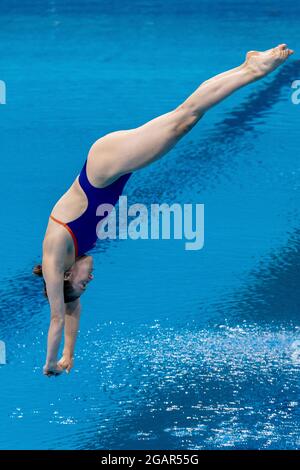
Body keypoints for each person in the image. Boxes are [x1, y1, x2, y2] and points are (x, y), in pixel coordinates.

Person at [33, 44, 294, 377]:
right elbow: (73, 308)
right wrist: (70, 354)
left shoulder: (56, 257)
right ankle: (247, 67)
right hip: (110, 172)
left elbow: (58, 315)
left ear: (67, 276)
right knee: (182, 120)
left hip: (103, 168)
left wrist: (50, 363)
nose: (91, 279)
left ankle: (254, 69)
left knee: (182, 118)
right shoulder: (70, 261)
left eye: (85, 283)